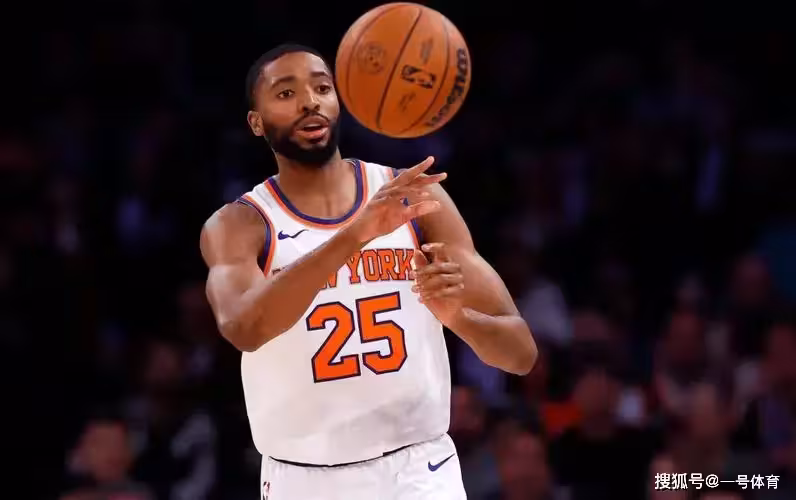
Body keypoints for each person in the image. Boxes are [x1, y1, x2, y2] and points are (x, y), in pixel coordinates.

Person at [200, 43, 537, 500]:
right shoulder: (240, 224)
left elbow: (521, 354)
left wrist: (459, 319)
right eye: (286, 93)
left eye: (322, 88)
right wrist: (355, 234)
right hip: (304, 479)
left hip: (420, 469)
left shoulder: (412, 197)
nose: (309, 102)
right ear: (256, 122)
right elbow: (243, 328)